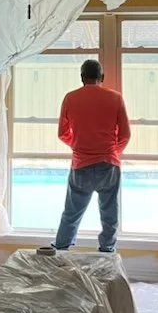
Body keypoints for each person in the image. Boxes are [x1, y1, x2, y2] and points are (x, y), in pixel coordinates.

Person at [53, 58, 131, 253]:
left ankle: (61, 249)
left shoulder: (70, 98)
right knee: (109, 214)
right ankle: (107, 250)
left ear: (82, 78)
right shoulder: (115, 98)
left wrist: (79, 146)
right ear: (101, 77)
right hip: (108, 164)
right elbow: (125, 134)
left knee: (71, 213)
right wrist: (112, 152)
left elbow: (62, 133)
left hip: (81, 165)